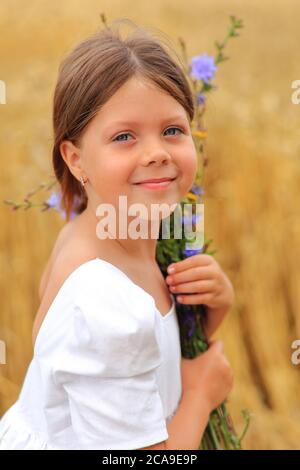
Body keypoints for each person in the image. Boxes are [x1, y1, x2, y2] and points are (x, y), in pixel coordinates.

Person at [0, 18, 234, 450]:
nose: (157, 153)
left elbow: (157, 355)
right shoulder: (99, 297)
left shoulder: (118, 231)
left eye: (172, 130)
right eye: (124, 136)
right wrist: (200, 397)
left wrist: (215, 308)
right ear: (75, 159)